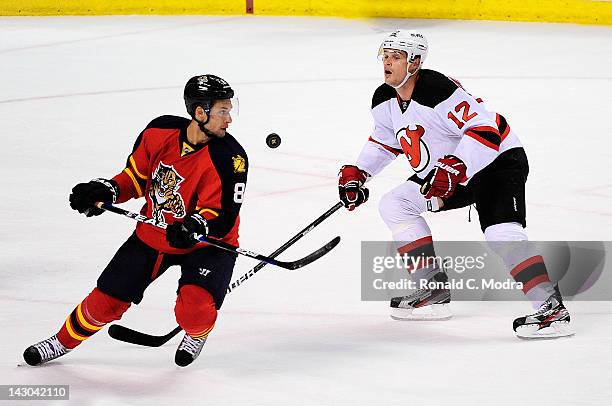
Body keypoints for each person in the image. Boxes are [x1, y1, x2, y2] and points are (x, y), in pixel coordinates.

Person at [337, 30, 573, 338]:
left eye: (397, 57)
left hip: (497, 162)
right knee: (396, 204)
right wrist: (360, 172)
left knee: (502, 233)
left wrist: (456, 167)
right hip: (450, 169)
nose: (388, 63)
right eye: (386, 56)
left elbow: (486, 128)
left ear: (415, 62)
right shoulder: (384, 99)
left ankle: (551, 308)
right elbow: (385, 142)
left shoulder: (437, 89)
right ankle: (431, 288)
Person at [24, 74, 248, 366]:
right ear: (199, 112)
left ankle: (197, 333)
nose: (229, 119)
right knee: (105, 302)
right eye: (222, 111)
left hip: (206, 245)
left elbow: (223, 216)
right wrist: (107, 189)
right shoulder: (159, 131)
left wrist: (196, 225)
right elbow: (135, 178)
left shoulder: (231, 159)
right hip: (154, 234)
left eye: (229, 110)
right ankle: (61, 341)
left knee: (194, 313)